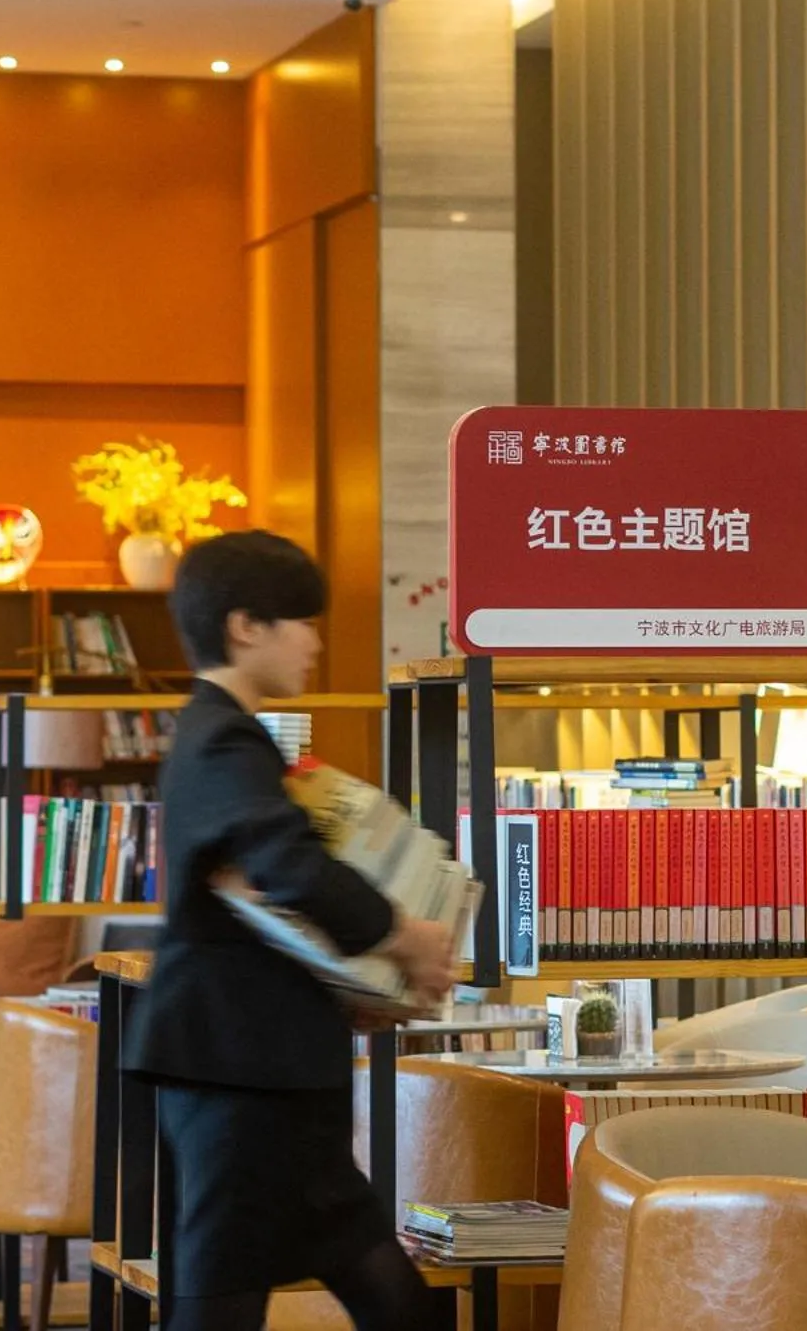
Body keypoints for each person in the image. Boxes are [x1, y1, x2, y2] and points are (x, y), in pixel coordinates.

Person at [122, 530, 456, 1330]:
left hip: (269, 1073)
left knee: (394, 1299)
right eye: (301, 621)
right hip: (240, 1077)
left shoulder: (220, 736)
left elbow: (258, 909)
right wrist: (402, 935)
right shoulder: (223, 737)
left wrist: (342, 991)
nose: (314, 641)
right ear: (247, 626)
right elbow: (287, 865)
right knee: (222, 1309)